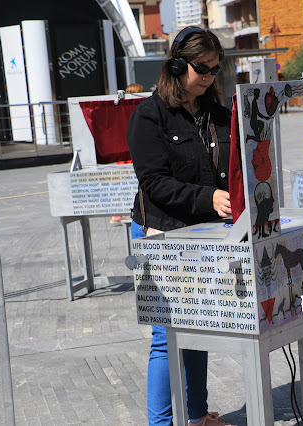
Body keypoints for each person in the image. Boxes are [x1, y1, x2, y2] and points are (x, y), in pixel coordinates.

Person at [127, 26, 233, 426]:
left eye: (214, 69)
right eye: (200, 68)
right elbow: (153, 183)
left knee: (199, 329)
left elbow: (234, 167)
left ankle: (196, 416)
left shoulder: (218, 114)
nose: (207, 76)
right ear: (175, 65)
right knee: (165, 339)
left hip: (205, 236)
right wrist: (207, 198)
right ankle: (161, 423)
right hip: (162, 235)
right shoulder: (148, 116)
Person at [111, 83, 145, 225]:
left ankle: (117, 213)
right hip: (138, 150)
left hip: (123, 151)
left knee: (122, 183)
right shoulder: (142, 107)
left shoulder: (121, 110)